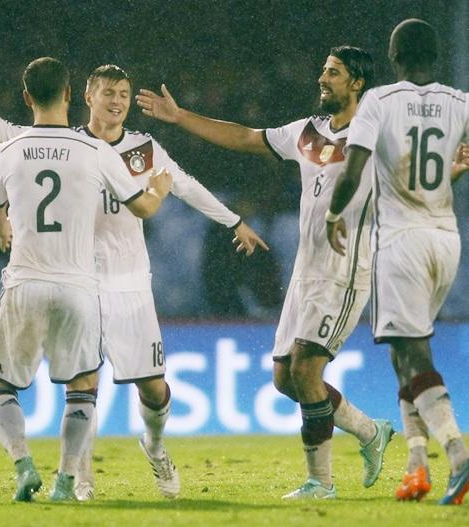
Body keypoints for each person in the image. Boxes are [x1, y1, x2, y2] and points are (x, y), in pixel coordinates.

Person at [0, 64, 267, 500]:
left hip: (131, 286)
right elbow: (14, 135)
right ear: (86, 96)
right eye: (108, 93)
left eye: (124, 93)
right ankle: (80, 481)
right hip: (82, 282)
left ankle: (155, 446)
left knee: (153, 389)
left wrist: (233, 221)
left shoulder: (143, 148)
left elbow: (185, 185)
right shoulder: (77, 145)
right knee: (84, 386)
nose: (117, 101)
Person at [136, 47, 395, 499]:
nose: (323, 77)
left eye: (333, 73)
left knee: (306, 369)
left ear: (357, 83)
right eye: (323, 69)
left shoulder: (375, 138)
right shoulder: (308, 132)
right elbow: (244, 137)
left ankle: (322, 482)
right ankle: (371, 431)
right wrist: (179, 117)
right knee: (285, 380)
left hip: (344, 272)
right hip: (305, 272)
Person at [0, 57, 172, 502]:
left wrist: (2, 228)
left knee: (1, 384)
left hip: (25, 280)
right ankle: (67, 482)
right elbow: (141, 208)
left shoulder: (8, 150)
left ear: (27, 97)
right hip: (79, 286)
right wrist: (160, 188)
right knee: (82, 387)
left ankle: (23, 464)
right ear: (70, 95)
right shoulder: (96, 151)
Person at [327, 19, 469, 506]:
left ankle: (458, 454)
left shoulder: (380, 101)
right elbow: (441, 168)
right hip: (445, 242)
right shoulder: (460, 102)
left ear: (394, 56)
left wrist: (333, 212)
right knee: (402, 351)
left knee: (413, 355)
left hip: (401, 242)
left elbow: (355, 165)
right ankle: (416, 467)